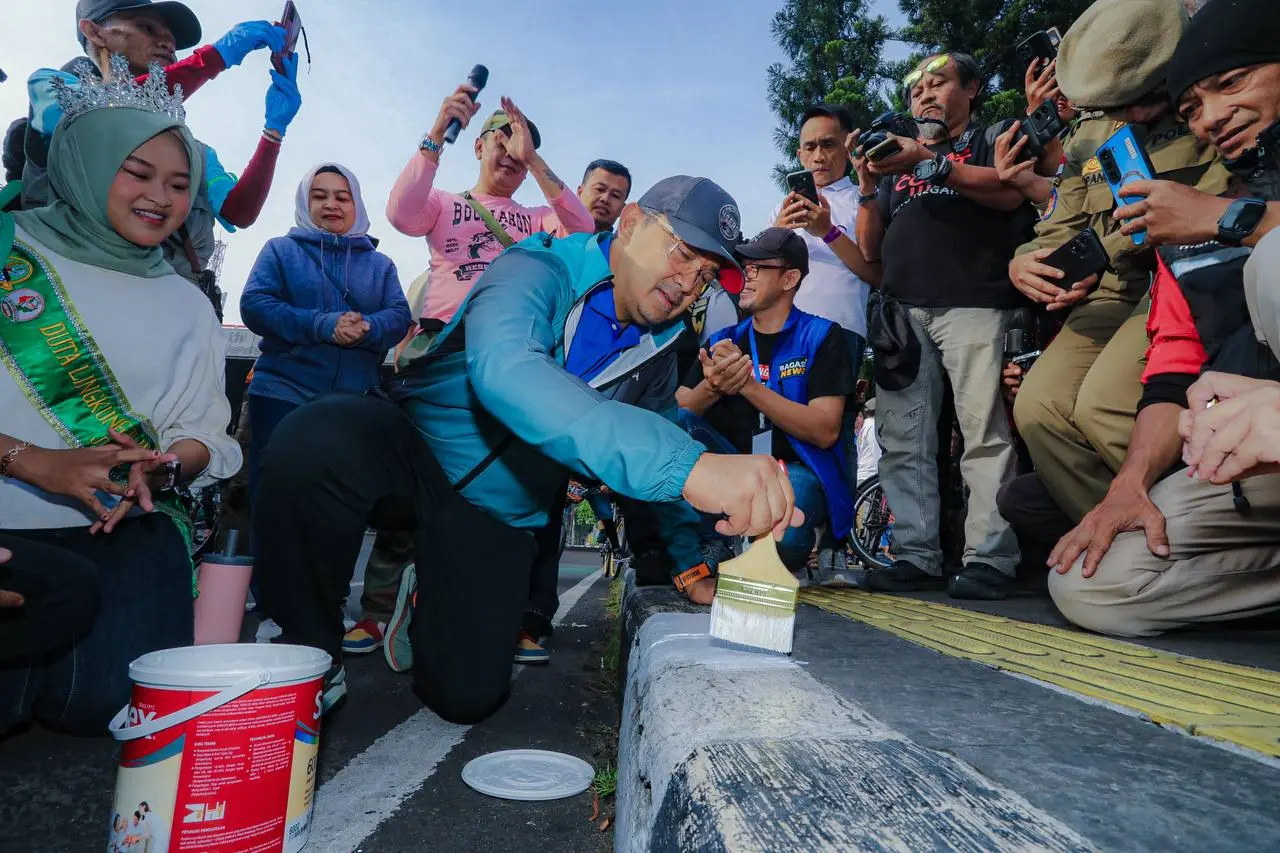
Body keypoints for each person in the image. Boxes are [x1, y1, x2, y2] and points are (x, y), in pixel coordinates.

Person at [253, 175, 803, 721]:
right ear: (631, 225)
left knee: (467, 697)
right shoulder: (537, 266)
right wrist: (691, 466)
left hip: (497, 508)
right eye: (683, 254)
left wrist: (690, 569)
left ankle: (428, 592)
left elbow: (662, 479)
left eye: (706, 275)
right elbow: (506, 369)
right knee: (314, 437)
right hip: (415, 451)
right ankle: (310, 654)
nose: (689, 283)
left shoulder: (661, 350)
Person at [0, 61, 239, 734]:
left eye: (180, 183)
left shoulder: (189, 303)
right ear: (86, 161)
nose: (160, 196)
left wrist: (166, 465)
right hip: (8, 526)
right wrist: (34, 461)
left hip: (120, 530)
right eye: (137, 172)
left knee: (112, 705)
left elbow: (205, 432)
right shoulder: (6, 247)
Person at [1047, 0, 1280, 636]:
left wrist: (1235, 222)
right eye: (1191, 108)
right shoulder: (1185, 218)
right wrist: (1129, 485)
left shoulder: (1211, 210)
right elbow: (1174, 366)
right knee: (1090, 583)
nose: (1212, 119)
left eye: (1232, 82)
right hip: (1258, 471)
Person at [1000, 0, 1230, 557]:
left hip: (1187, 278)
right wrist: (1026, 261)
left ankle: (1205, 545)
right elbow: (1061, 219)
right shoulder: (1089, 134)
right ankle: (1120, 545)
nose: (1123, 116)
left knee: (1103, 405)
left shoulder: (1217, 101)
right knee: (1038, 408)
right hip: (1112, 292)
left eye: (1136, 99)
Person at [852, 51, 1032, 599]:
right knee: (903, 440)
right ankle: (915, 553)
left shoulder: (989, 138)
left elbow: (1010, 191)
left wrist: (929, 159)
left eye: (939, 83)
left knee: (984, 433)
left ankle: (990, 558)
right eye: (915, 91)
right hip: (902, 314)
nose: (924, 95)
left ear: (973, 88)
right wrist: (865, 184)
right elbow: (870, 249)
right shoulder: (895, 167)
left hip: (974, 303)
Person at [17, 0, 300, 288]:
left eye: (173, 41)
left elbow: (238, 212)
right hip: (60, 298)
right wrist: (215, 57)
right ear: (93, 31)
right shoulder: (52, 89)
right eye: (146, 27)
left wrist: (273, 131)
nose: (167, 43)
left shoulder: (195, 154)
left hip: (161, 300)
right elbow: (103, 118)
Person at [677, 227, 856, 576]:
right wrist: (712, 386)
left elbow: (825, 430)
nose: (745, 276)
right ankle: (713, 541)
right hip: (732, 468)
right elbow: (679, 412)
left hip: (792, 472)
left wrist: (747, 385)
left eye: (757, 268)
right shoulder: (724, 340)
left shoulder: (822, 336)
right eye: (743, 267)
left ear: (789, 278)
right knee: (677, 427)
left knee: (783, 538)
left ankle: (758, 548)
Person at [239, 164, 412, 511]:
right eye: (319, 196)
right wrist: (323, 325)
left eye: (342, 197)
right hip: (282, 392)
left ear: (356, 205)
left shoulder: (382, 265)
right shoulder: (280, 250)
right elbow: (255, 305)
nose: (330, 204)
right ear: (305, 202)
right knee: (272, 497)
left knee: (339, 501)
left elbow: (398, 316)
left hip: (354, 398)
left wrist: (368, 328)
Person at [772, 104, 882, 579]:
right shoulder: (788, 204)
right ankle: (782, 534)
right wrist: (779, 228)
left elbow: (872, 271)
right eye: (809, 146)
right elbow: (760, 271)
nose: (818, 155)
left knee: (834, 441)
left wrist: (826, 230)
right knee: (778, 438)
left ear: (847, 147)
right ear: (799, 152)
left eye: (828, 144)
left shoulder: (865, 199)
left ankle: (837, 546)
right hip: (784, 336)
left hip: (839, 335)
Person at [579, 159, 632, 233]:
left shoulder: (627, 244)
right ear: (580, 192)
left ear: (622, 209)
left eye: (615, 195)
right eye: (599, 189)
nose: (605, 199)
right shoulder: (557, 238)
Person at [855, 397, 880, 485]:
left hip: (863, 475)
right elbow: (877, 453)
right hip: (870, 476)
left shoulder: (865, 427)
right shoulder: (872, 426)